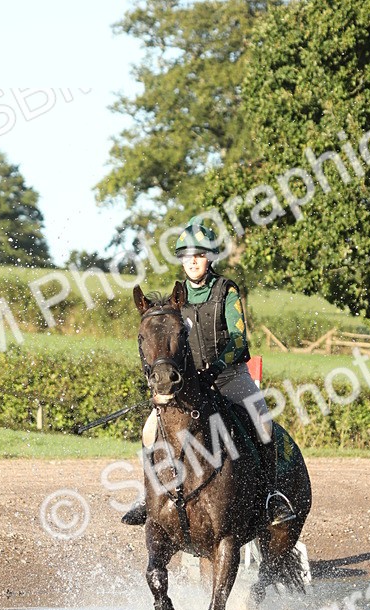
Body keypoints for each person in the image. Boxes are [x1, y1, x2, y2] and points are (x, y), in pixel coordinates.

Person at [122, 217, 296, 527]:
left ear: (210, 258)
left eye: (199, 255)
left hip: (228, 377)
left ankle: (271, 497)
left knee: (263, 424)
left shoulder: (226, 290)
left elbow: (238, 339)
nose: (192, 261)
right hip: (188, 386)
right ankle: (147, 495)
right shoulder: (176, 300)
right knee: (150, 431)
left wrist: (213, 368)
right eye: (187, 256)